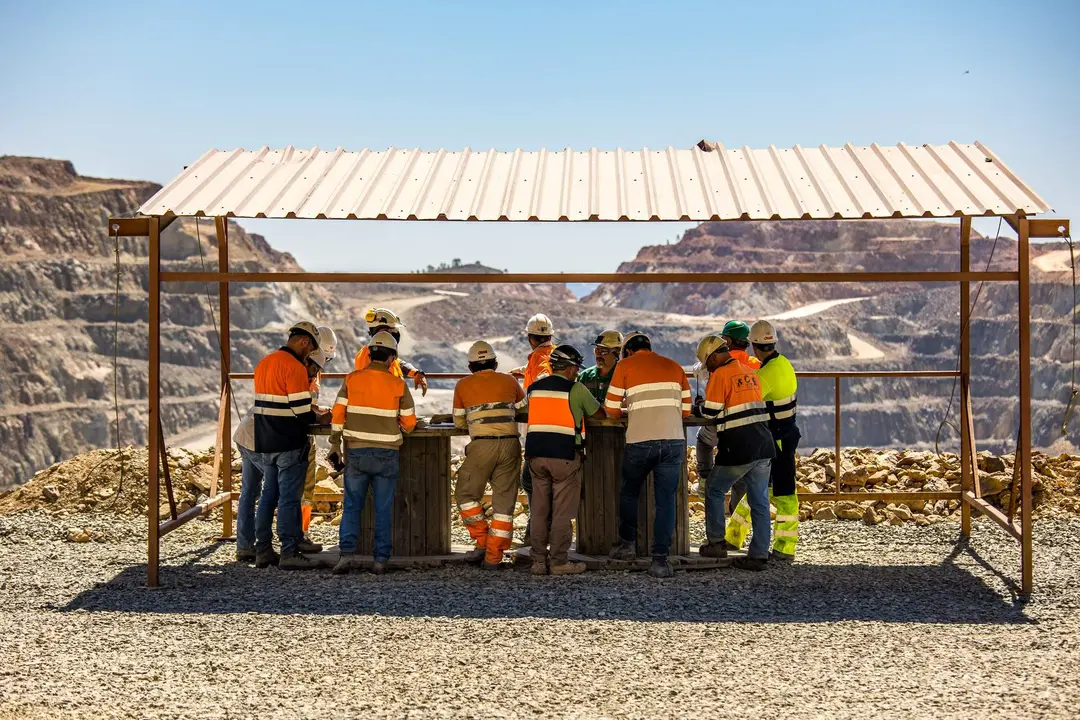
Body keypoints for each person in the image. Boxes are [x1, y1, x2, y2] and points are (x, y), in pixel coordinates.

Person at [604, 331, 692, 578]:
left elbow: (611, 409)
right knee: (665, 501)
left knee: (630, 492)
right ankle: (660, 561)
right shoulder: (674, 367)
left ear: (628, 351)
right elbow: (686, 412)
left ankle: (627, 546)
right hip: (673, 441)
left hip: (640, 441)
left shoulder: (624, 366)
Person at [330, 331, 417, 575]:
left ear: (369, 353)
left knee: (352, 506)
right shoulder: (398, 384)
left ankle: (346, 555)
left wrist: (335, 443)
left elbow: (338, 416)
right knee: (383, 507)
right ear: (392, 359)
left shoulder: (351, 379)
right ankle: (380, 560)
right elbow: (410, 423)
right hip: (386, 454)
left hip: (356, 452)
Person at [696, 334, 776, 571]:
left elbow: (710, 413)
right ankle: (759, 554)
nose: (707, 368)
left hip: (739, 446)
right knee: (759, 500)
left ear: (713, 356)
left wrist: (700, 405)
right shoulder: (750, 372)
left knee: (714, 488)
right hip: (763, 443)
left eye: (707, 363)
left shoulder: (721, 374)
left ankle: (716, 542)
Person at [246, 322, 322, 570]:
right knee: (289, 498)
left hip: (267, 440)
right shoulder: (294, 367)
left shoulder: (264, 362)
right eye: (311, 349)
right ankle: (289, 551)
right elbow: (301, 411)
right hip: (289, 440)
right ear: (304, 342)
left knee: (268, 496)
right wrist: (321, 416)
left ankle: (263, 550)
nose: (309, 354)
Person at [725, 320, 802, 562]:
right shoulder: (783, 364)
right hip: (784, 435)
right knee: (759, 489)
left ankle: (784, 548)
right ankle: (733, 536)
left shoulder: (766, 375)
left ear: (754, 348)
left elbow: (746, 399)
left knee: (784, 494)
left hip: (777, 439)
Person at [524, 345, 604, 575]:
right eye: (576, 367)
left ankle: (538, 562)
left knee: (539, 510)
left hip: (536, 456)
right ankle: (558, 561)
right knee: (561, 513)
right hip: (565, 456)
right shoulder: (575, 389)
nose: (577, 371)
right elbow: (599, 413)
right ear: (569, 368)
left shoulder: (534, 388)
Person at [452, 341, 526, 569]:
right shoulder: (510, 380)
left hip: (481, 446)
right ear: (495, 363)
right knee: (504, 506)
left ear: (470, 366)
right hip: (511, 445)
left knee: (465, 495)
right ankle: (493, 558)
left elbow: (458, 420)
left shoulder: (462, 385)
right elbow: (523, 408)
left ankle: (482, 541)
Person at [510, 313, 556, 542]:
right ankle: (541, 528)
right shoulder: (551, 354)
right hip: (556, 427)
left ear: (531, 338)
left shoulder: (540, 360)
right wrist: (523, 370)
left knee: (530, 479)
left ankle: (538, 529)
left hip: (539, 427)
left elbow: (544, 377)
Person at [354, 307, 428, 396]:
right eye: (393, 330)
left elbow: (398, 364)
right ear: (381, 332)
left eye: (396, 330)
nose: (395, 334)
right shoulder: (369, 355)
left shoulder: (381, 353)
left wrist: (416, 372)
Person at [577, 330, 623, 403]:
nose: (599, 355)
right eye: (597, 350)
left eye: (603, 351)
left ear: (617, 352)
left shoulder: (624, 377)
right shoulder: (585, 376)